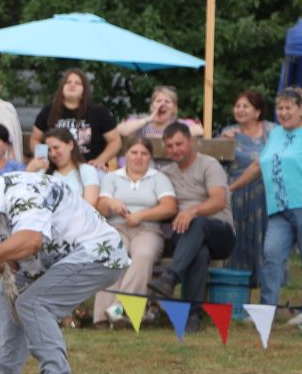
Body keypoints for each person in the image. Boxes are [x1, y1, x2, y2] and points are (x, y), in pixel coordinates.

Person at [0, 169, 129, 374]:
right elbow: (11, 261)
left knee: (34, 303)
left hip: (96, 255)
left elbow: (31, 240)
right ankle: (2, 367)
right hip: (58, 259)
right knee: (14, 285)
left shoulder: (23, 191)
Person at [90, 137, 178, 325]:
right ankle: (103, 319)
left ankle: (118, 310)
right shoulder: (112, 177)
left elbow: (170, 207)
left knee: (143, 255)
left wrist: (141, 215)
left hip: (148, 229)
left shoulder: (158, 178)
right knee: (113, 254)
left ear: (150, 157)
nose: (139, 157)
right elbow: (100, 207)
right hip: (116, 227)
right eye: (134, 152)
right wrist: (110, 203)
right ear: (125, 155)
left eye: (144, 153)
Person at [234, 88, 302, 308]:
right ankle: (267, 312)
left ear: (300, 110)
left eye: (288, 108)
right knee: (271, 255)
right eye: (280, 108)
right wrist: (231, 188)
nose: (283, 112)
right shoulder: (275, 134)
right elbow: (257, 166)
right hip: (277, 208)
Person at [157, 123, 234, 311]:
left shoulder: (209, 164)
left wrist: (192, 211)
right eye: (170, 146)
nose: (175, 150)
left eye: (179, 144)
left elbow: (219, 200)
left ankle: (171, 277)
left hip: (220, 233)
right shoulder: (166, 174)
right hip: (185, 236)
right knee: (200, 253)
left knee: (198, 222)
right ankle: (192, 316)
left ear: (191, 142)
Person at [220, 90, 271, 274]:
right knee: (237, 238)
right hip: (236, 194)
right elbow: (217, 163)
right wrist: (224, 143)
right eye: (237, 106)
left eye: (245, 106)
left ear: (257, 112)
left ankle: (263, 280)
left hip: (264, 194)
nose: (240, 110)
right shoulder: (228, 132)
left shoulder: (271, 130)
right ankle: (235, 284)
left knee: (266, 239)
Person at [30, 67, 119, 171]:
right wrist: (43, 158)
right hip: (55, 169)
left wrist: (100, 160)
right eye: (68, 82)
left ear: (84, 89)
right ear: (62, 88)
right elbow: (35, 138)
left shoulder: (98, 112)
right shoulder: (49, 110)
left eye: (77, 83)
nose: (72, 85)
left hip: (89, 168)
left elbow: (115, 140)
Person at [118, 85, 204, 144]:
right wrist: (148, 119)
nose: (163, 104)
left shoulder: (179, 124)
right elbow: (120, 130)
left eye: (167, 101)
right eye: (158, 101)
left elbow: (199, 130)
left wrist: (162, 137)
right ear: (152, 106)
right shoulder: (141, 124)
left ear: (174, 108)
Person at [38, 130, 99, 201]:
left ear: (70, 145)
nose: (53, 154)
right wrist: (30, 170)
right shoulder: (43, 172)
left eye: (56, 147)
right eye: (49, 150)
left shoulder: (87, 170)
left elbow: (90, 205)